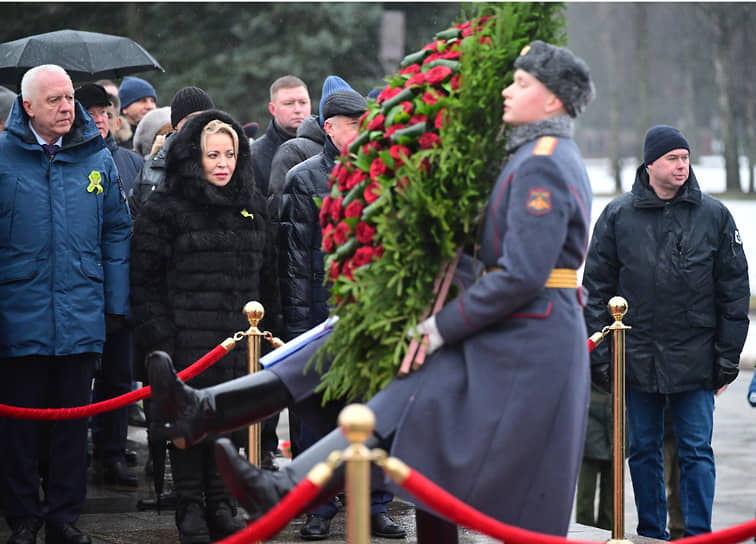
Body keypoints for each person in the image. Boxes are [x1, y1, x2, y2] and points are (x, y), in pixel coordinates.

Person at [148, 40, 596, 543]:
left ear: (553, 100)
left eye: (522, 83)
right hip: (502, 326)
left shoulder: (543, 161)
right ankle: (225, 426)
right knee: (367, 359)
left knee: (426, 423)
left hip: (524, 340)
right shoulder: (527, 154)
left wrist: (437, 326)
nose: (507, 92)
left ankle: (267, 465)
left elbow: (522, 273)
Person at [583, 124, 750, 539]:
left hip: (695, 361)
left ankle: (698, 534)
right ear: (651, 163)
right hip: (637, 359)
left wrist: (726, 359)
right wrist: (604, 361)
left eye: (686, 158)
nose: (682, 165)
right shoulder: (618, 216)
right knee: (641, 451)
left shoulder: (715, 216)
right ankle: (650, 533)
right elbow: (597, 291)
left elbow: (734, 293)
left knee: (696, 452)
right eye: (673, 158)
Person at [130, 109, 281, 544]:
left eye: (230, 154)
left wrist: (269, 336)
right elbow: (145, 279)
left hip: (237, 340)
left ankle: (221, 501)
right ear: (193, 157)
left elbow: (267, 277)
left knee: (229, 421)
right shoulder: (165, 206)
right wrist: (160, 339)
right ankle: (190, 505)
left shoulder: (253, 203)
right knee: (186, 425)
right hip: (184, 339)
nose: (222, 163)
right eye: (212, 154)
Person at [0, 64, 131, 544]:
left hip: (79, 315)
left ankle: (63, 518)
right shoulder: (2, 158)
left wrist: (114, 306)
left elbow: (116, 230)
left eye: (69, 98)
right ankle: (22, 518)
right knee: (18, 430)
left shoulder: (96, 159)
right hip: (18, 316)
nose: (66, 107)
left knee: (72, 428)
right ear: (28, 105)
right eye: (53, 99)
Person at [279, 87, 405, 540]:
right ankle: (320, 505)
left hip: (373, 314)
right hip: (321, 312)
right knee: (320, 419)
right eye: (352, 123)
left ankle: (374, 503)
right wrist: (297, 325)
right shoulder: (304, 178)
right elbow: (293, 260)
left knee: (376, 414)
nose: (361, 130)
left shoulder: (386, 172)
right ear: (330, 128)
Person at [74, 83, 142, 488]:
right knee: (78, 380)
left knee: (117, 379)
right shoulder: (69, 162)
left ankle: (112, 453)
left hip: (124, 288)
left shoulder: (132, 162)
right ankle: (73, 454)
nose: (99, 118)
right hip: (81, 289)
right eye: (91, 111)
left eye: (104, 111)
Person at [128, 86, 214, 219]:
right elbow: (132, 217)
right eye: (191, 119)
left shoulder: (228, 162)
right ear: (176, 125)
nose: (200, 124)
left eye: (206, 118)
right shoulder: (152, 167)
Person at [251, 74, 311, 196]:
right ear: (272, 109)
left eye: (303, 102)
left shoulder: (328, 145)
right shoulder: (254, 155)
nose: (298, 109)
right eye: (289, 103)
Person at [575, 383, 612, 530]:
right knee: (586, 496)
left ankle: (606, 533)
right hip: (592, 418)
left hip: (613, 417)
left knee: (611, 499)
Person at [118, 76, 158, 149]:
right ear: (124, 108)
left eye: (152, 101)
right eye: (142, 101)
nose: (150, 106)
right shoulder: (115, 141)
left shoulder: (164, 136)